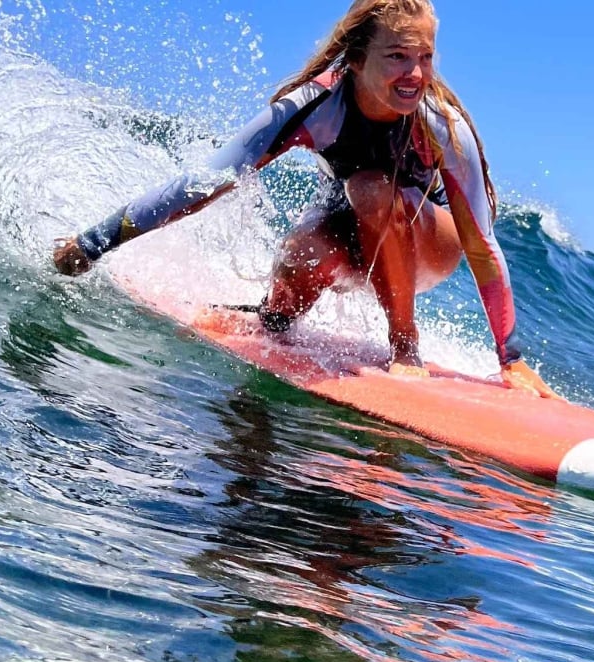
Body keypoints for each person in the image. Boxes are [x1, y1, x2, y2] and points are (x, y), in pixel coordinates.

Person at [52, 0, 556, 397]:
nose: (416, 74)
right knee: (304, 248)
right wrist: (93, 243)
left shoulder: (442, 126)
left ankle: (405, 346)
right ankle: (273, 322)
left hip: (428, 242)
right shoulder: (314, 107)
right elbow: (199, 184)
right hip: (357, 232)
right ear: (357, 60)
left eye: (425, 57)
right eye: (398, 56)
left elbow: (482, 246)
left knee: (372, 188)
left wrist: (509, 358)